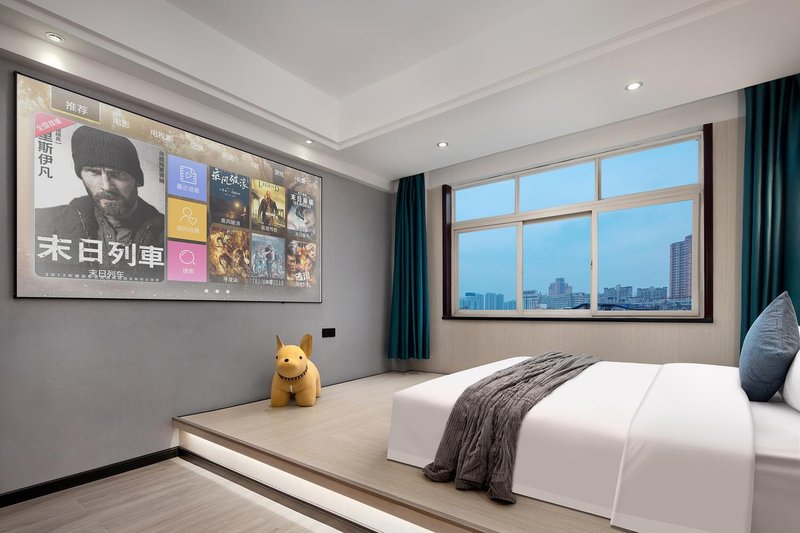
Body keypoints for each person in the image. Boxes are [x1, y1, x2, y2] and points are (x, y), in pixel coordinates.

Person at [34, 125, 165, 279]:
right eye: (94, 172)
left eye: (117, 174)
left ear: (136, 180)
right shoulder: (41, 222)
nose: (106, 186)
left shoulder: (168, 234)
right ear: (81, 175)